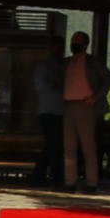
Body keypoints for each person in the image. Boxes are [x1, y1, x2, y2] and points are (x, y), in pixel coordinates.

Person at [61, 31, 110, 192]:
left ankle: (91, 183)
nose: (74, 43)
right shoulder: (67, 62)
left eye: (77, 40)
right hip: (68, 105)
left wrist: (96, 97)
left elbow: (109, 78)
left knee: (88, 146)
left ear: (85, 44)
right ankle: (69, 182)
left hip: (85, 106)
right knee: (69, 147)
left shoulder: (92, 61)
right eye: (72, 40)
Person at [31, 52, 65, 187]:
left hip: (60, 111)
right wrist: (55, 84)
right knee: (53, 143)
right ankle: (51, 176)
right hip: (47, 110)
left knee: (53, 144)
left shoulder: (64, 66)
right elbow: (39, 84)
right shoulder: (44, 66)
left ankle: (40, 175)